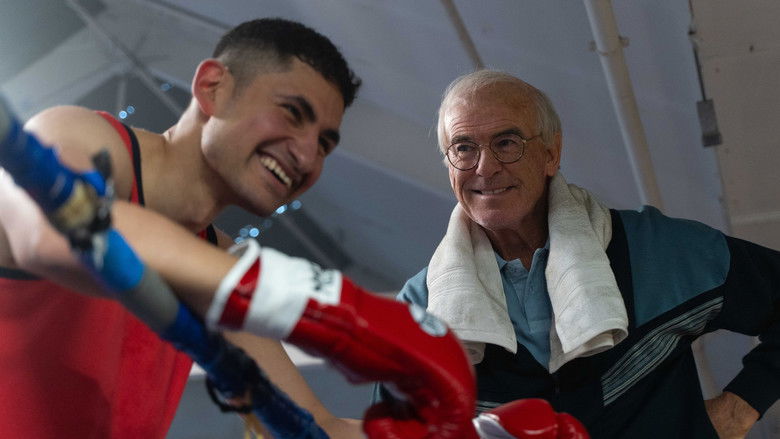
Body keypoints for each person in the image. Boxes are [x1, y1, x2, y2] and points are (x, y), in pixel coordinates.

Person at [0, 17, 366, 438]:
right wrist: (338, 305)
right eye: (292, 113)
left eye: (323, 144)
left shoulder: (217, 263)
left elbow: (318, 427)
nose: (306, 156)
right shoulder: (84, 137)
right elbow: (57, 234)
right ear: (212, 88)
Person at [374, 69, 780, 438]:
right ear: (449, 165)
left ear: (552, 153)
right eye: (464, 148)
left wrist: (737, 411)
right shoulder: (419, 309)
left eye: (506, 143)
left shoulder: (655, 250)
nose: (485, 167)